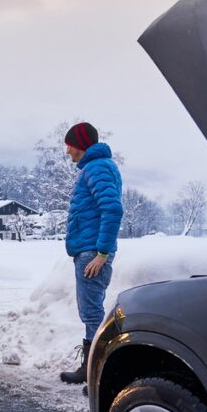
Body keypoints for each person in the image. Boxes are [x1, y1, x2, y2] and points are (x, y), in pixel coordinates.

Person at [59, 122, 123, 385]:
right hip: (88, 251)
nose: (68, 151)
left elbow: (113, 210)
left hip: (92, 253)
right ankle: (91, 370)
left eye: (70, 145)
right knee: (91, 312)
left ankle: (101, 376)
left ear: (81, 144)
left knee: (93, 314)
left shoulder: (97, 167)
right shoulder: (95, 168)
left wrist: (102, 253)